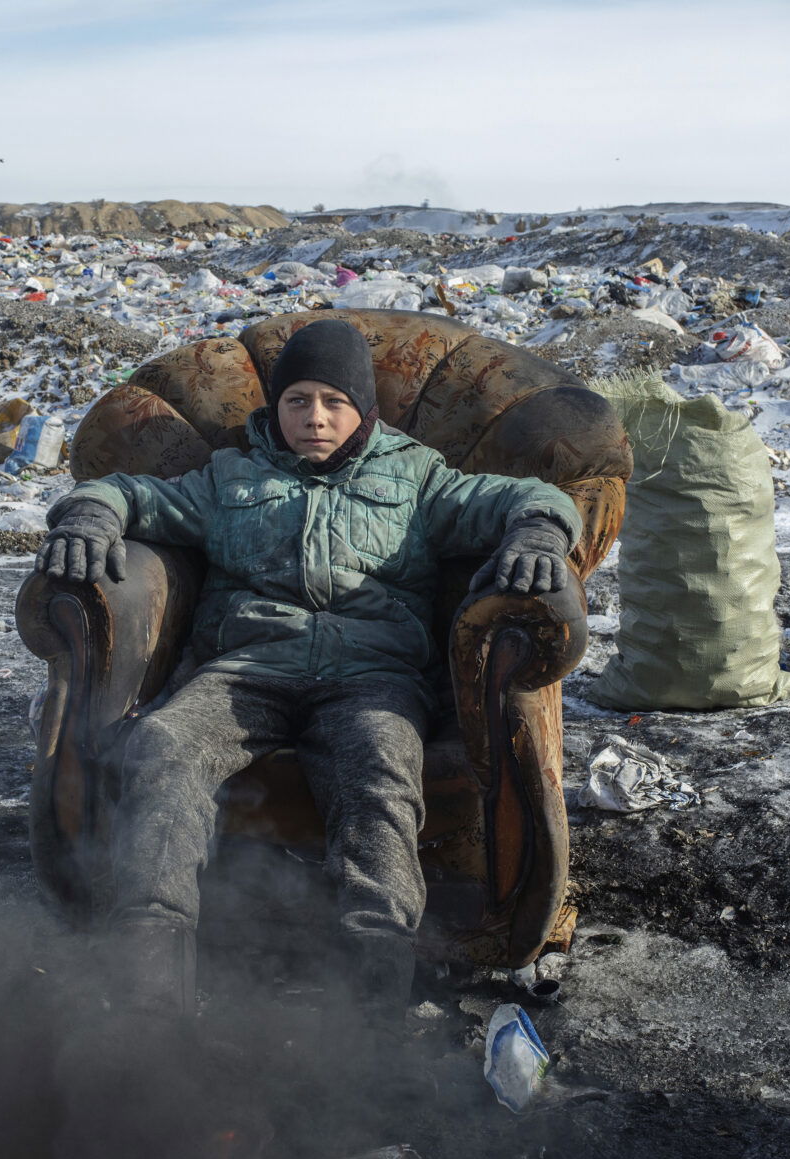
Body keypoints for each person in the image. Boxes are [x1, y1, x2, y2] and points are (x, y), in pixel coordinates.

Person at [35, 320, 581, 1030]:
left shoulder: (415, 476)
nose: (314, 418)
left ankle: (369, 1009)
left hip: (371, 677)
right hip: (246, 671)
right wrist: (86, 517)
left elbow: (529, 498)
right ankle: (149, 998)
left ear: (363, 408)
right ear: (277, 407)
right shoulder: (230, 478)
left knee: (382, 773)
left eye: (333, 401)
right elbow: (129, 495)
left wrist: (541, 532)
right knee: (163, 747)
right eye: (298, 401)